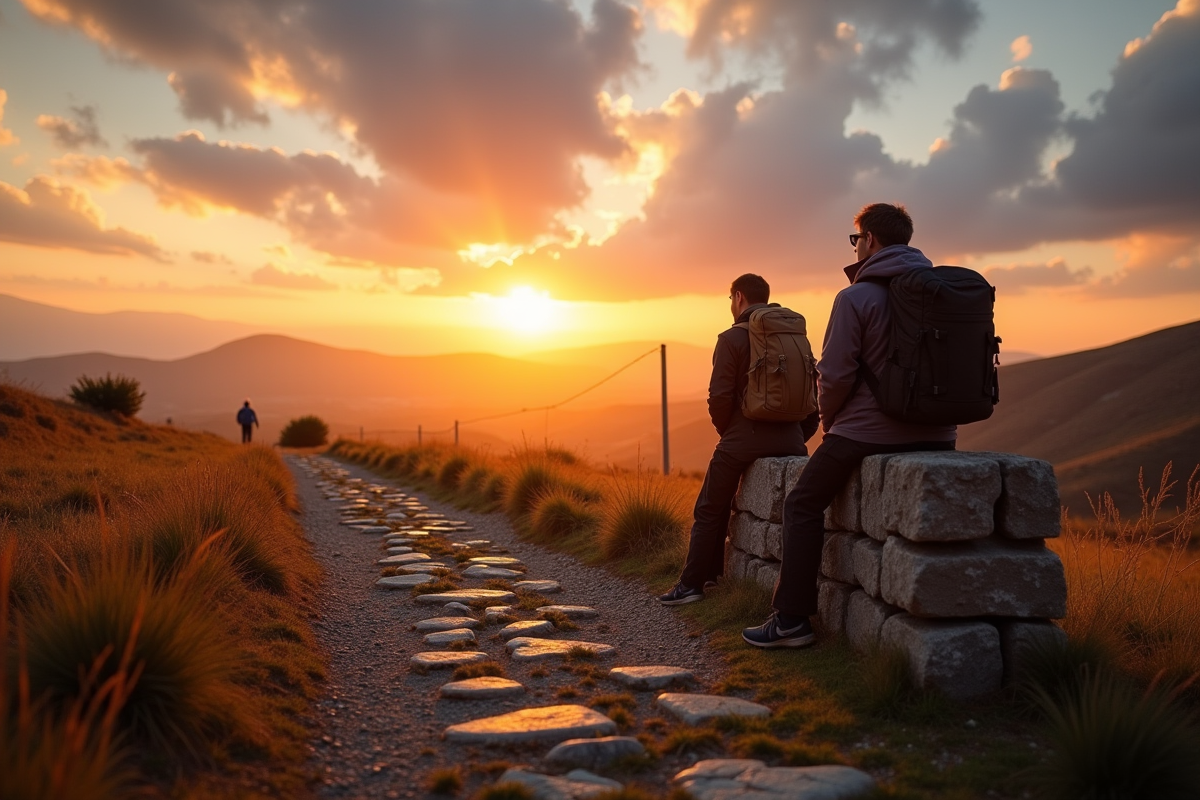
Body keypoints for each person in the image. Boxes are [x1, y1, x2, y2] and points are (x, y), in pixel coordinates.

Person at [742, 203, 957, 648]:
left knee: (801, 504)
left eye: (855, 239)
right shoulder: (940, 292)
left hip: (864, 432)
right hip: (940, 433)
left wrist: (830, 421)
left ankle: (790, 621)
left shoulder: (855, 297)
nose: (855, 247)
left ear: (870, 241)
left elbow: (835, 375)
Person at [659, 274, 820, 605]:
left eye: (730, 299)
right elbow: (812, 399)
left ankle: (693, 584)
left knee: (709, 507)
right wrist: (795, 434)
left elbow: (718, 398)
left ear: (738, 297)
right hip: (793, 440)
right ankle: (716, 578)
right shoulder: (794, 336)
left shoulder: (732, 338)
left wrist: (731, 433)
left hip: (742, 437)